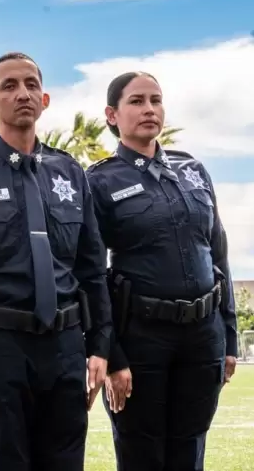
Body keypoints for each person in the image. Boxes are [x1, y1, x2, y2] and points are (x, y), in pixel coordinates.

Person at [0, 52, 112, 471]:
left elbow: (92, 267)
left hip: (66, 345)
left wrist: (100, 345)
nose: (23, 94)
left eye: (31, 85)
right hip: (0, 346)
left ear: (45, 99)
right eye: (9, 86)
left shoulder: (70, 172)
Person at [85, 71, 237, 471]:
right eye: (136, 101)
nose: (149, 109)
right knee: (142, 454)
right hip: (140, 337)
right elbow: (92, 272)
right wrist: (112, 355)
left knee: (191, 451)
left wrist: (230, 338)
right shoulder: (99, 181)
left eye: (156, 99)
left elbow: (218, 253)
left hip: (203, 337)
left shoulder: (193, 171)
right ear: (112, 115)